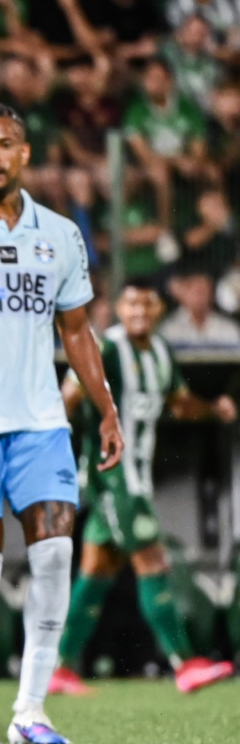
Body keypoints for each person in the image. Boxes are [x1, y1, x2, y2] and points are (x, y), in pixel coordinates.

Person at [0, 104, 123, 744]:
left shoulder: (62, 235)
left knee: (54, 557)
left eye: (4, 144)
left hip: (42, 423)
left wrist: (107, 411)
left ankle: (32, 710)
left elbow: (78, 332)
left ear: (25, 155)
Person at [51, 278, 236, 695]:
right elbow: (69, 396)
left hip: (137, 476)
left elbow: (178, 403)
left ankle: (59, 667)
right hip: (112, 476)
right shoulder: (108, 347)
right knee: (152, 560)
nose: (139, 312)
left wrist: (212, 407)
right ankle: (185, 663)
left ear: (156, 310)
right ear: (119, 307)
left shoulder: (161, 352)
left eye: (147, 305)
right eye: (131, 304)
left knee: (97, 570)